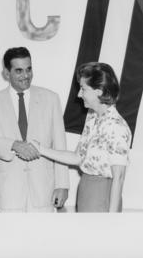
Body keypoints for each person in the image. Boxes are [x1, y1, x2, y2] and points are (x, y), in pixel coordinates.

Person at [0, 47, 70, 212]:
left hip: (44, 191)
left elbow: (60, 144)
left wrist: (62, 184)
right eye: (19, 71)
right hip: (9, 194)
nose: (26, 75)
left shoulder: (51, 99)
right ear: (6, 73)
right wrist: (14, 145)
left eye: (29, 69)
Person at [32, 62, 131, 212]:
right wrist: (40, 149)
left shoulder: (116, 126)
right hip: (86, 189)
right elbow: (77, 157)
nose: (79, 94)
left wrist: (112, 220)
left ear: (99, 91)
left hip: (103, 194)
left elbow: (119, 177)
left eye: (83, 89)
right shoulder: (92, 117)